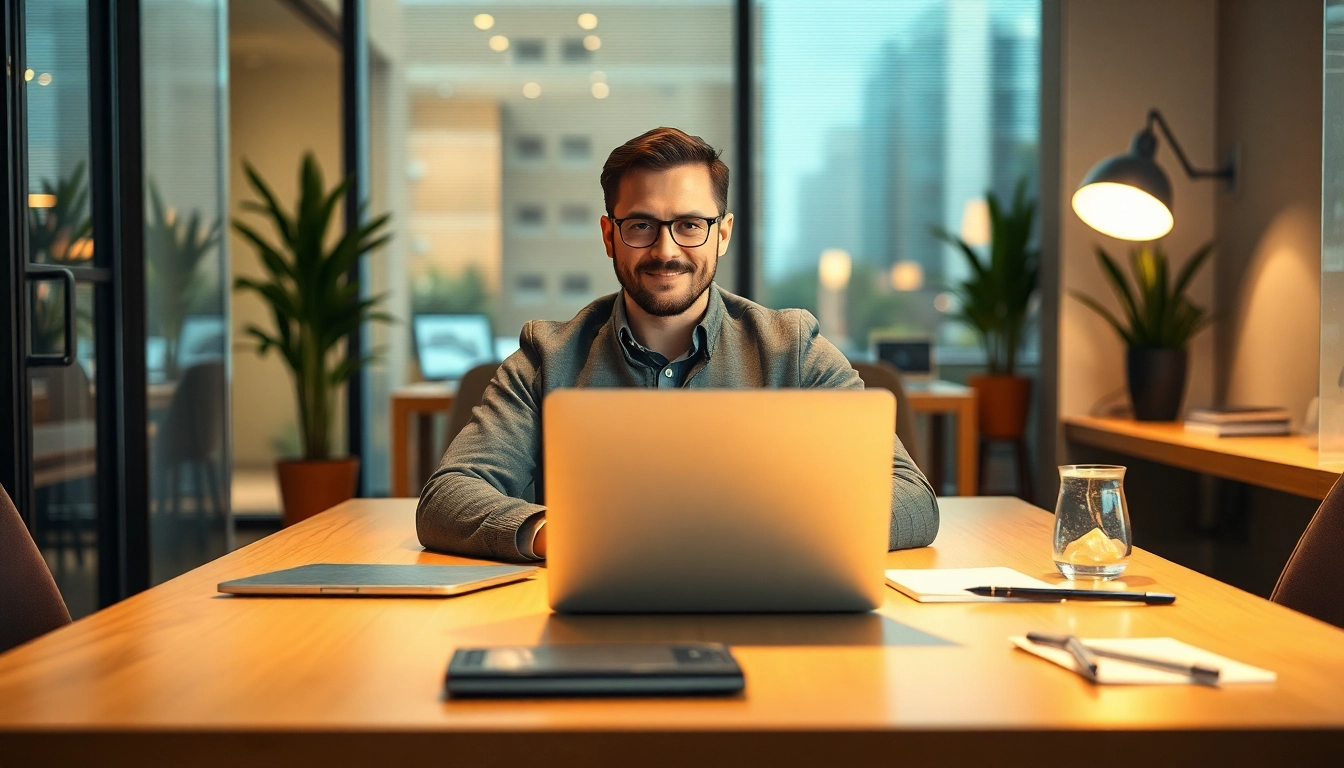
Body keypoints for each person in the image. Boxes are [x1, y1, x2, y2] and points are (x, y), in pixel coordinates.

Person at [417, 127, 938, 562]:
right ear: (608, 235)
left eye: (690, 225)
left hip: (761, 609)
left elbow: (913, 498)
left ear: (723, 233)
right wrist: (568, 535)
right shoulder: (545, 356)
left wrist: (775, 533)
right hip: (595, 615)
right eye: (641, 225)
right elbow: (447, 497)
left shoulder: (792, 347)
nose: (666, 250)